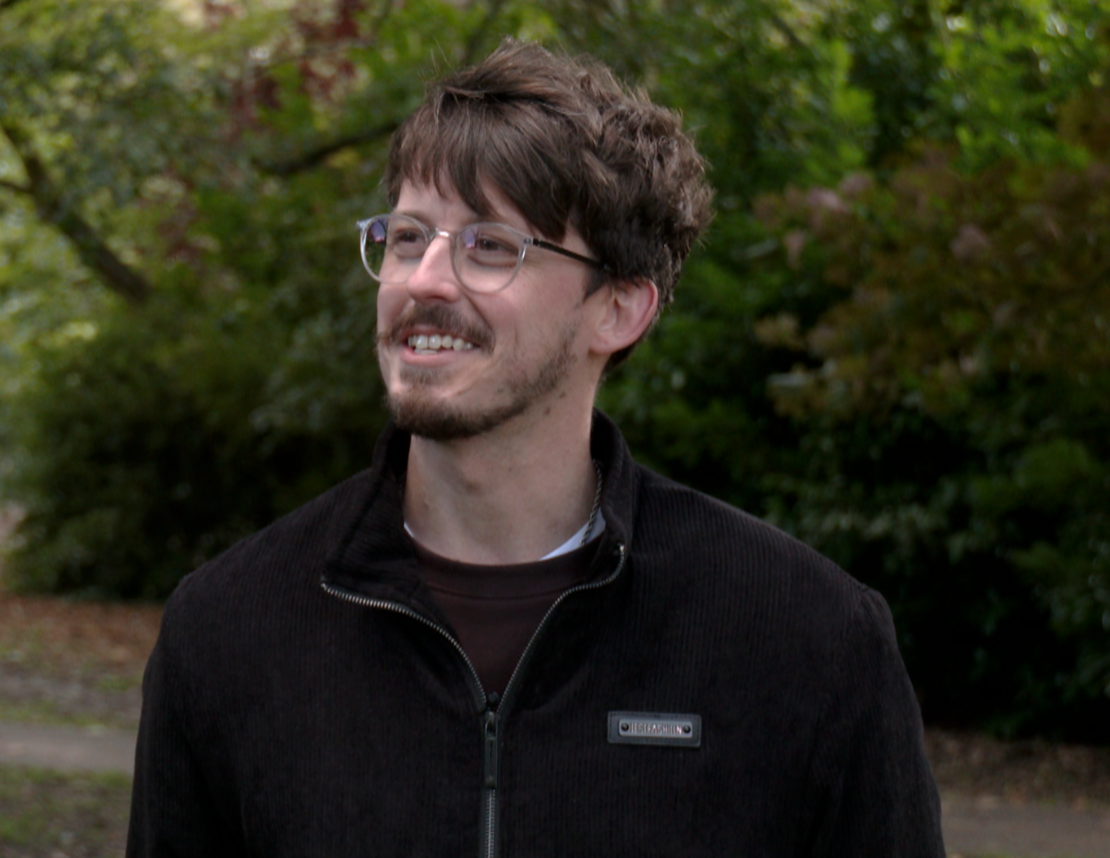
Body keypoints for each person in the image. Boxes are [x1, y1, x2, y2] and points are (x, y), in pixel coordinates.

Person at [127, 39, 945, 857]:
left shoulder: (808, 640)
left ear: (620, 309)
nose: (424, 281)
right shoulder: (229, 631)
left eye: (491, 246)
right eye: (408, 238)